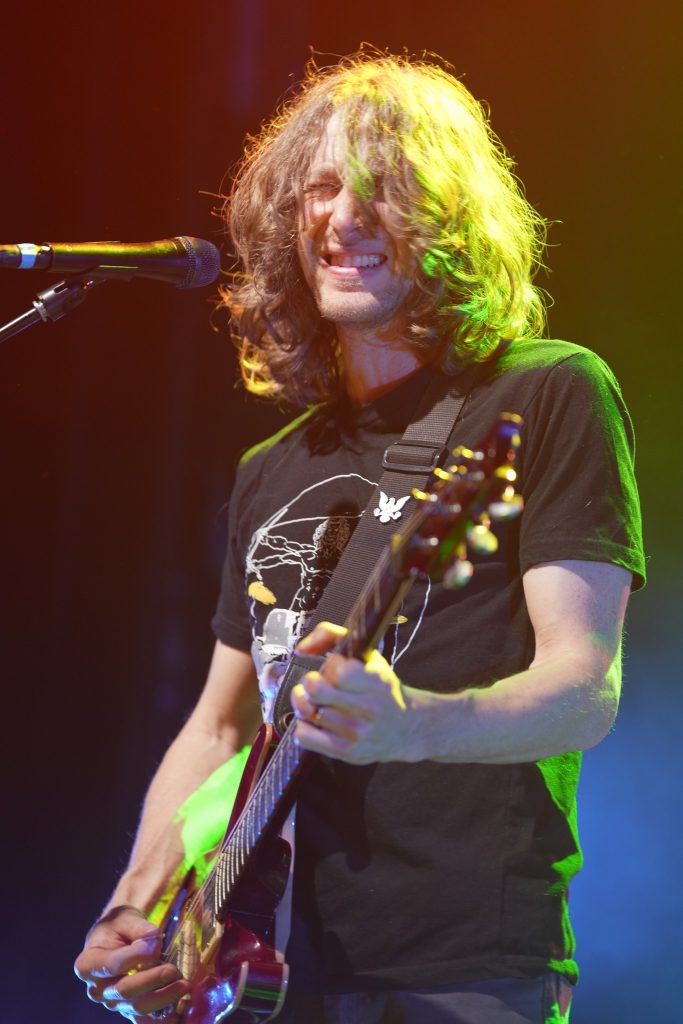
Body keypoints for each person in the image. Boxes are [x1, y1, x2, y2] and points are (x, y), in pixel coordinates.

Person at [74, 52, 645, 1024]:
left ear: (450, 217)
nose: (343, 217)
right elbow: (221, 727)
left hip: (456, 961)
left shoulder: (546, 390)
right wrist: (137, 905)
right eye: (321, 188)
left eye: (385, 188)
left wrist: (409, 724)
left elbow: (583, 686)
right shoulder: (271, 465)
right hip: (261, 964)